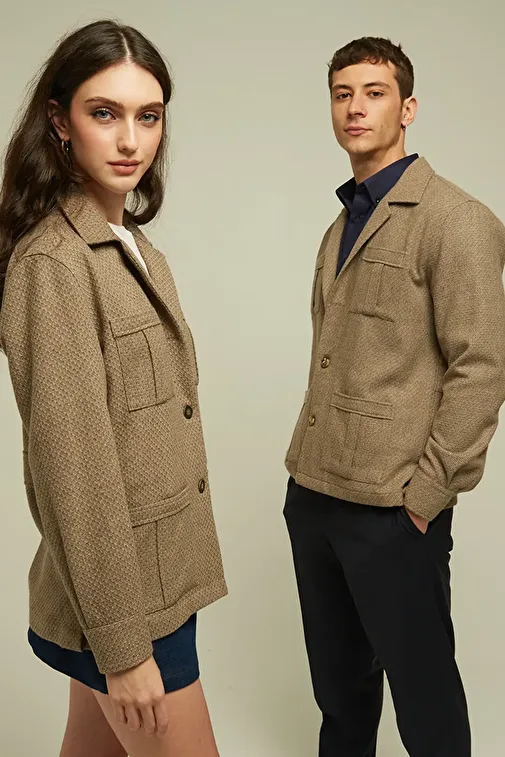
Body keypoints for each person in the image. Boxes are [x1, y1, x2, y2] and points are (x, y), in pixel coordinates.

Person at [0, 19, 227, 757]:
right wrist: (124, 648)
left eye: (148, 116)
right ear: (60, 121)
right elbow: (75, 470)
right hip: (126, 608)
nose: (131, 139)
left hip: (146, 583)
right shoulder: (54, 266)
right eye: (105, 113)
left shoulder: (133, 249)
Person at [283, 36, 505, 757]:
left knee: (426, 706)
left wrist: (426, 495)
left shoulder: (457, 219)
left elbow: (481, 368)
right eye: (342, 93)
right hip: (314, 495)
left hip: (392, 509)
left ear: (407, 109)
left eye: (374, 93)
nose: (355, 107)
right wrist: (302, 491)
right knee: (341, 703)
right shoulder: (340, 223)